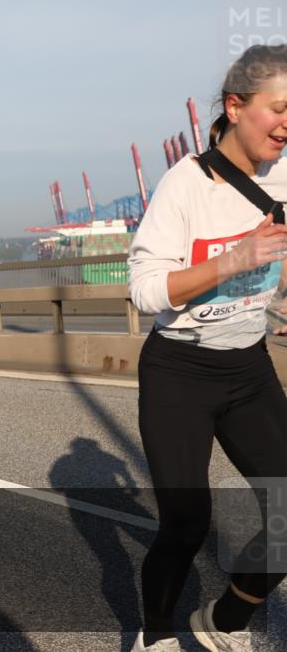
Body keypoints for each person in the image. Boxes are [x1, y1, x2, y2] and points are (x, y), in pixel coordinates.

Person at [127, 44, 287, 652]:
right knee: (187, 524)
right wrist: (233, 260)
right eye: (279, 109)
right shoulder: (186, 184)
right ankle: (156, 637)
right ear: (236, 107)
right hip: (180, 372)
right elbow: (145, 290)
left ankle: (224, 622)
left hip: (248, 367)